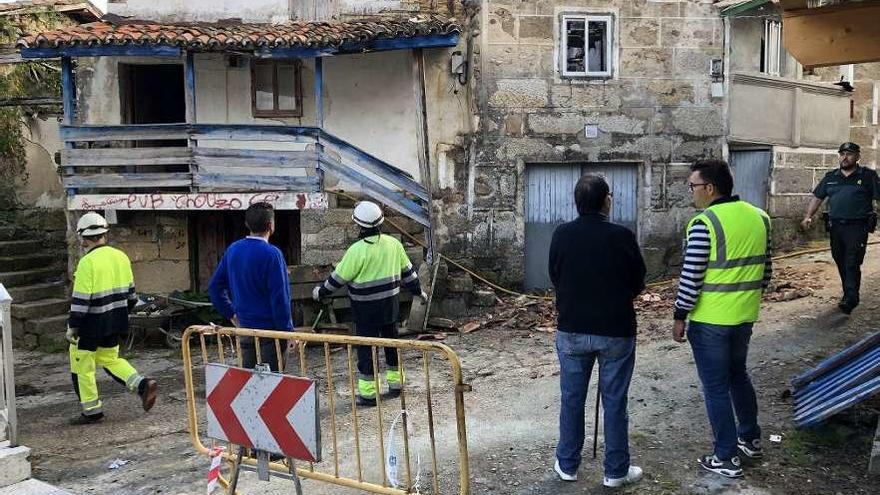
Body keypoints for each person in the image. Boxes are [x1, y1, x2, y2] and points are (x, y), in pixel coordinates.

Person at [672, 159, 772, 478]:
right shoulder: (760, 218)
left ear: (710, 189)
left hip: (711, 321)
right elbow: (766, 274)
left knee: (715, 387)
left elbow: (691, 278)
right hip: (744, 318)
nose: (691, 192)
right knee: (738, 375)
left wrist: (679, 315)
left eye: (693, 186)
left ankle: (726, 456)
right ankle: (750, 438)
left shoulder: (704, 223)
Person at [548, 175, 645, 488]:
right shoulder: (622, 236)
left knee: (572, 399)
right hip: (616, 329)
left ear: (578, 203)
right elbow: (637, 282)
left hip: (573, 329)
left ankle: (567, 465)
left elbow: (555, 275)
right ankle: (616, 471)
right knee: (615, 401)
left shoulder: (562, 235)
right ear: (606, 201)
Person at [313, 201, 426, 407]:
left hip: (365, 311)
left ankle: (368, 394)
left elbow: (337, 279)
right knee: (393, 345)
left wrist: (319, 292)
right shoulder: (394, 244)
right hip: (390, 308)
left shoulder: (357, 250)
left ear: (359, 225)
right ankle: (396, 384)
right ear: (380, 222)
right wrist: (419, 292)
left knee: (366, 350)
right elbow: (410, 275)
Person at [67, 212, 157, 425]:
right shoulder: (121, 257)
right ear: (104, 234)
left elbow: (81, 300)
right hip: (115, 322)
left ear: (83, 238)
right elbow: (132, 296)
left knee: (82, 367)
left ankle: (92, 411)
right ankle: (143, 384)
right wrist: (118, 314)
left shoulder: (87, 262)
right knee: (110, 360)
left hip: (89, 326)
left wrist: (73, 326)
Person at [208, 202, 293, 371]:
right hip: (271, 334)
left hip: (245, 329)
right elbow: (280, 299)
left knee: (249, 384)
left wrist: (231, 313)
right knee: (272, 385)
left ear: (247, 224)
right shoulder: (273, 254)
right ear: (271, 225)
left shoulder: (233, 250)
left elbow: (215, 287)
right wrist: (288, 332)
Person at [801, 142, 880, 314]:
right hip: (836, 227)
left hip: (857, 227)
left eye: (849, 154)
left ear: (858, 156)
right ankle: (849, 293)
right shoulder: (831, 177)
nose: (845, 157)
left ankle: (851, 298)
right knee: (841, 261)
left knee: (852, 261)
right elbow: (817, 198)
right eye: (842, 154)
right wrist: (808, 216)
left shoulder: (868, 176)